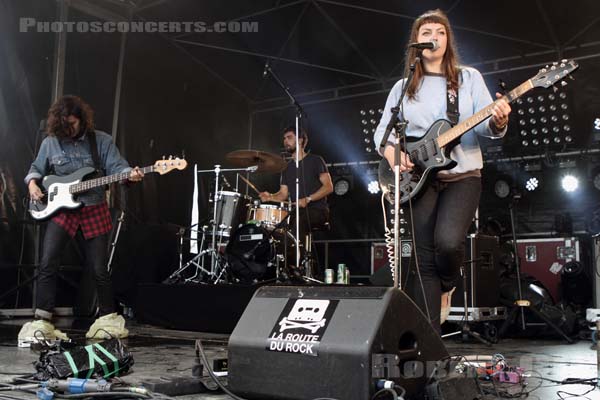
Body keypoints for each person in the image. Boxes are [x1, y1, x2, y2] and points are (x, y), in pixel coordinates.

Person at [373, 9, 511, 333]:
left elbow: (486, 125)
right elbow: (384, 133)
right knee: (422, 260)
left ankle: (451, 281)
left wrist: (498, 120)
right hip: (420, 179)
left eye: (440, 32)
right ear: (416, 42)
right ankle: (429, 342)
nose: (434, 36)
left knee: (448, 244)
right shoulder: (403, 86)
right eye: (426, 32)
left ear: (448, 40)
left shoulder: (468, 78)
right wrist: (394, 154)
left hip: (463, 174)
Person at [18, 95, 144, 345]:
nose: (69, 129)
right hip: (61, 209)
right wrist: (32, 184)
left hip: (93, 207)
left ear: (83, 120)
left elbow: (118, 168)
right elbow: (36, 169)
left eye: (73, 124)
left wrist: (131, 175)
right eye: (65, 125)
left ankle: (107, 317)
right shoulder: (51, 142)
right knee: (48, 262)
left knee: (98, 268)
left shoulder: (102, 141)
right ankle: (43, 318)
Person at [259, 127, 333, 275]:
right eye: (284, 138)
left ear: (300, 140)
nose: (285, 141)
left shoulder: (315, 160)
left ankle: (298, 267)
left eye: (289, 137)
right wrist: (270, 197)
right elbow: (283, 194)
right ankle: (281, 267)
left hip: (318, 211)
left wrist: (309, 198)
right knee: (276, 228)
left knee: (298, 222)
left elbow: (329, 187)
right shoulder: (286, 168)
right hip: (296, 212)